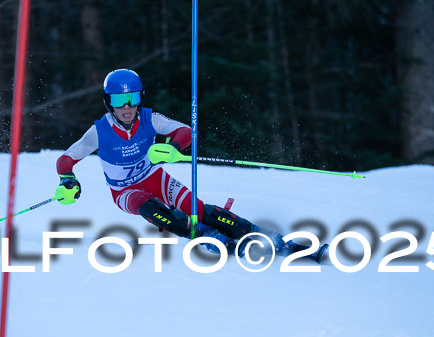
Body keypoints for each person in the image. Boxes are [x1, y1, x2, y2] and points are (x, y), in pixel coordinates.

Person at [53, 68, 328, 262]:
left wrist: (172, 147)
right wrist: (68, 180)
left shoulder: (150, 119)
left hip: (153, 176)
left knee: (196, 208)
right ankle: (204, 235)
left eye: (133, 99)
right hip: (124, 191)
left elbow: (185, 131)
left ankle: (274, 240)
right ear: (107, 102)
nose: (127, 107)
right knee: (150, 208)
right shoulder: (99, 131)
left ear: (140, 98)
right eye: (118, 101)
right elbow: (66, 159)